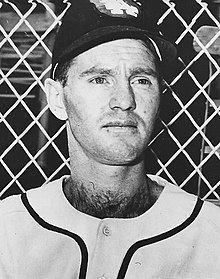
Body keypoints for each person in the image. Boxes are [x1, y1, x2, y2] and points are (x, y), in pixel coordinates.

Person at [1, 0, 220, 278]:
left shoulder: (212, 237)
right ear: (57, 98)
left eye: (141, 80)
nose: (124, 101)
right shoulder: (7, 234)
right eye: (99, 79)